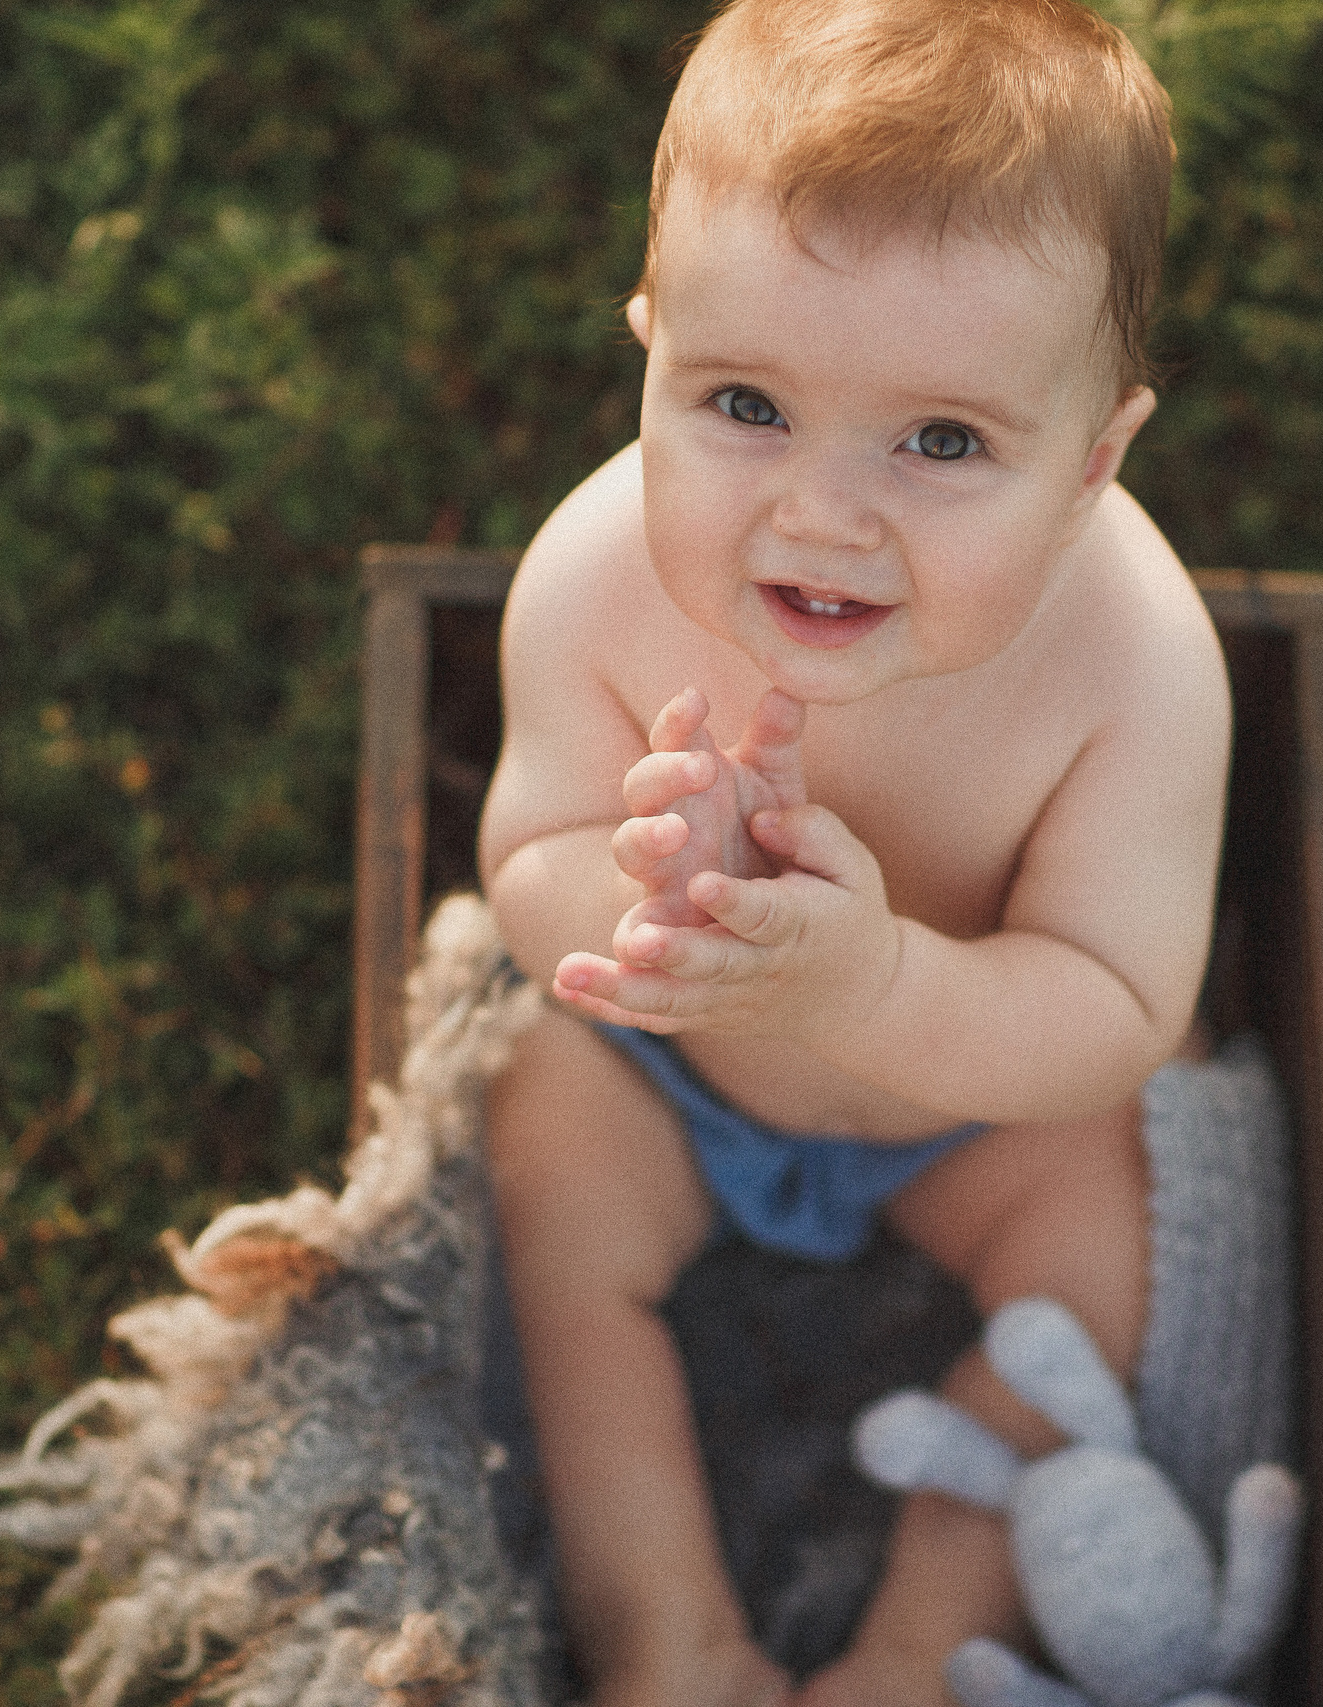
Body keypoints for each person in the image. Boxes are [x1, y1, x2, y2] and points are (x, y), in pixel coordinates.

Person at [476, 2, 1227, 1701]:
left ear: (1097, 460)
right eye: (743, 401)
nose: (824, 514)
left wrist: (873, 982)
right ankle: (665, 1628)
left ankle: (919, 1654)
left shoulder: (1137, 664)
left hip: (975, 1119)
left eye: (943, 441)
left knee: (1103, 1246)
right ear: (649, 343)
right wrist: (642, 899)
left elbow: (1118, 1005)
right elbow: (526, 856)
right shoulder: (597, 575)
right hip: (670, 1086)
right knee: (543, 1140)